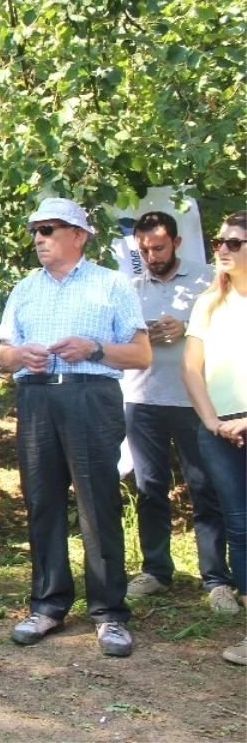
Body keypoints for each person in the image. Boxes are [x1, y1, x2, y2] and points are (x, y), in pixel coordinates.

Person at [0, 197, 151, 657]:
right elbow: (2, 355)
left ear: (79, 235)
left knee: (97, 504)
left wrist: (95, 348)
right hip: (37, 396)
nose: (39, 238)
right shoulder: (24, 287)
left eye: (49, 229)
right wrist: (20, 356)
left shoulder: (111, 284)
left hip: (90, 396)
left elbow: (140, 354)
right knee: (41, 502)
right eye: (35, 231)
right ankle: (46, 605)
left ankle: (109, 614)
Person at [121, 212, 235, 611]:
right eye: (145, 249)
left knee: (204, 486)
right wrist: (140, 334)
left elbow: (225, 329)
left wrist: (183, 326)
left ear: (177, 243)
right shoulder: (129, 285)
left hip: (193, 401)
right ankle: (156, 570)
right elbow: (116, 337)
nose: (152, 256)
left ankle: (216, 577)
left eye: (159, 247)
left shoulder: (208, 278)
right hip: (142, 398)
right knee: (150, 487)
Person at [181, 210, 247, 665]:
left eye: (234, 243)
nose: (222, 249)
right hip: (219, 429)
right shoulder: (207, 303)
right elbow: (190, 368)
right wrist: (211, 422)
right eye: (220, 241)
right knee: (240, 529)